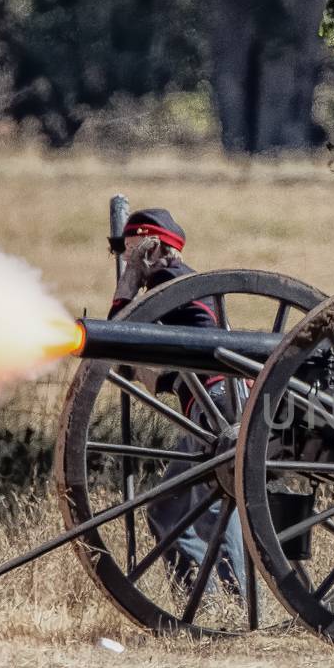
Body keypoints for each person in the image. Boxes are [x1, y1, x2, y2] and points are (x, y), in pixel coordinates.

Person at [110, 207, 248, 602]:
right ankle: (203, 603)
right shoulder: (177, 289)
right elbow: (177, 352)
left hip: (218, 407)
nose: (128, 258)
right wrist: (162, 377)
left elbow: (118, 339)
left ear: (156, 247)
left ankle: (234, 607)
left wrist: (127, 285)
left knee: (211, 508)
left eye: (134, 251)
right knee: (168, 510)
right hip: (209, 405)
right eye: (126, 253)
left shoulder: (169, 281)